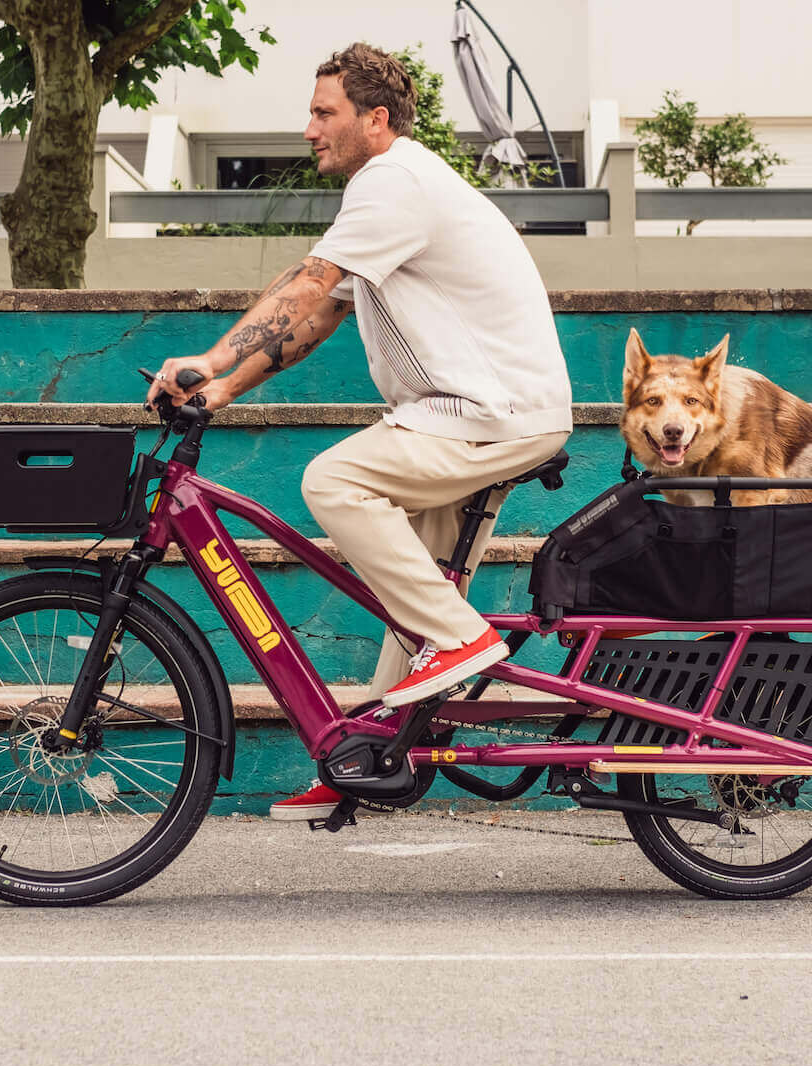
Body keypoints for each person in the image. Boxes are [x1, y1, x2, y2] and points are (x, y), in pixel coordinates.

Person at [146, 43, 572, 823]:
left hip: (487, 411)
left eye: (323, 113)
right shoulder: (391, 189)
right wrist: (224, 390)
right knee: (416, 601)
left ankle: (462, 642)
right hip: (475, 410)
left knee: (335, 482)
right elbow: (324, 309)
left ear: (376, 120)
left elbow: (306, 283)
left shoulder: (393, 182)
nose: (308, 129)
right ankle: (367, 754)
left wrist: (208, 359)